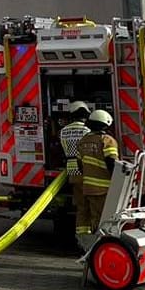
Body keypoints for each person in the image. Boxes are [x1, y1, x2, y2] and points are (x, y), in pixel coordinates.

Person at [74, 109, 118, 245]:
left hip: (87, 187)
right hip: (104, 188)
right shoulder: (107, 140)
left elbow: (79, 164)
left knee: (91, 215)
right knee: (103, 218)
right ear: (106, 124)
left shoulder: (83, 141)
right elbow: (112, 163)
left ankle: (86, 242)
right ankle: (102, 245)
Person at [58, 102, 90, 245]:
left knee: (80, 206)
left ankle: (81, 237)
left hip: (72, 170)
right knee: (92, 205)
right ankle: (91, 236)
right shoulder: (88, 130)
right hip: (87, 170)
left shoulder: (63, 131)